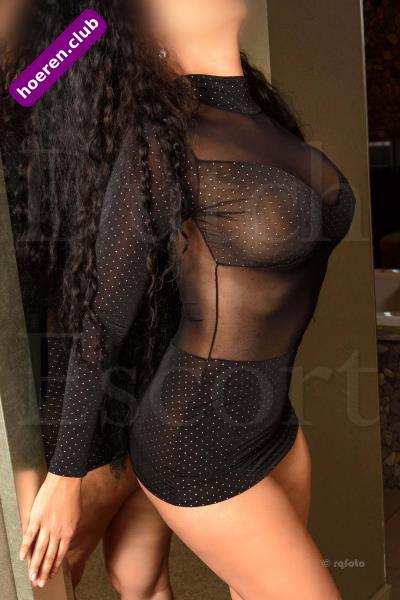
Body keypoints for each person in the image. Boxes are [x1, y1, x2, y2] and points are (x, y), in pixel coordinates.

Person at [19, 0, 356, 598]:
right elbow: (102, 320)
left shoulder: (267, 120)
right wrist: (65, 475)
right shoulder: (159, 135)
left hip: (272, 422)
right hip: (194, 434)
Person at [1, 1, 172, 597]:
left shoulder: (76, 36)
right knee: (140, 578)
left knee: (48, 576)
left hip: (98, 367)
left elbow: (27, 87)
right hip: (114, 354)